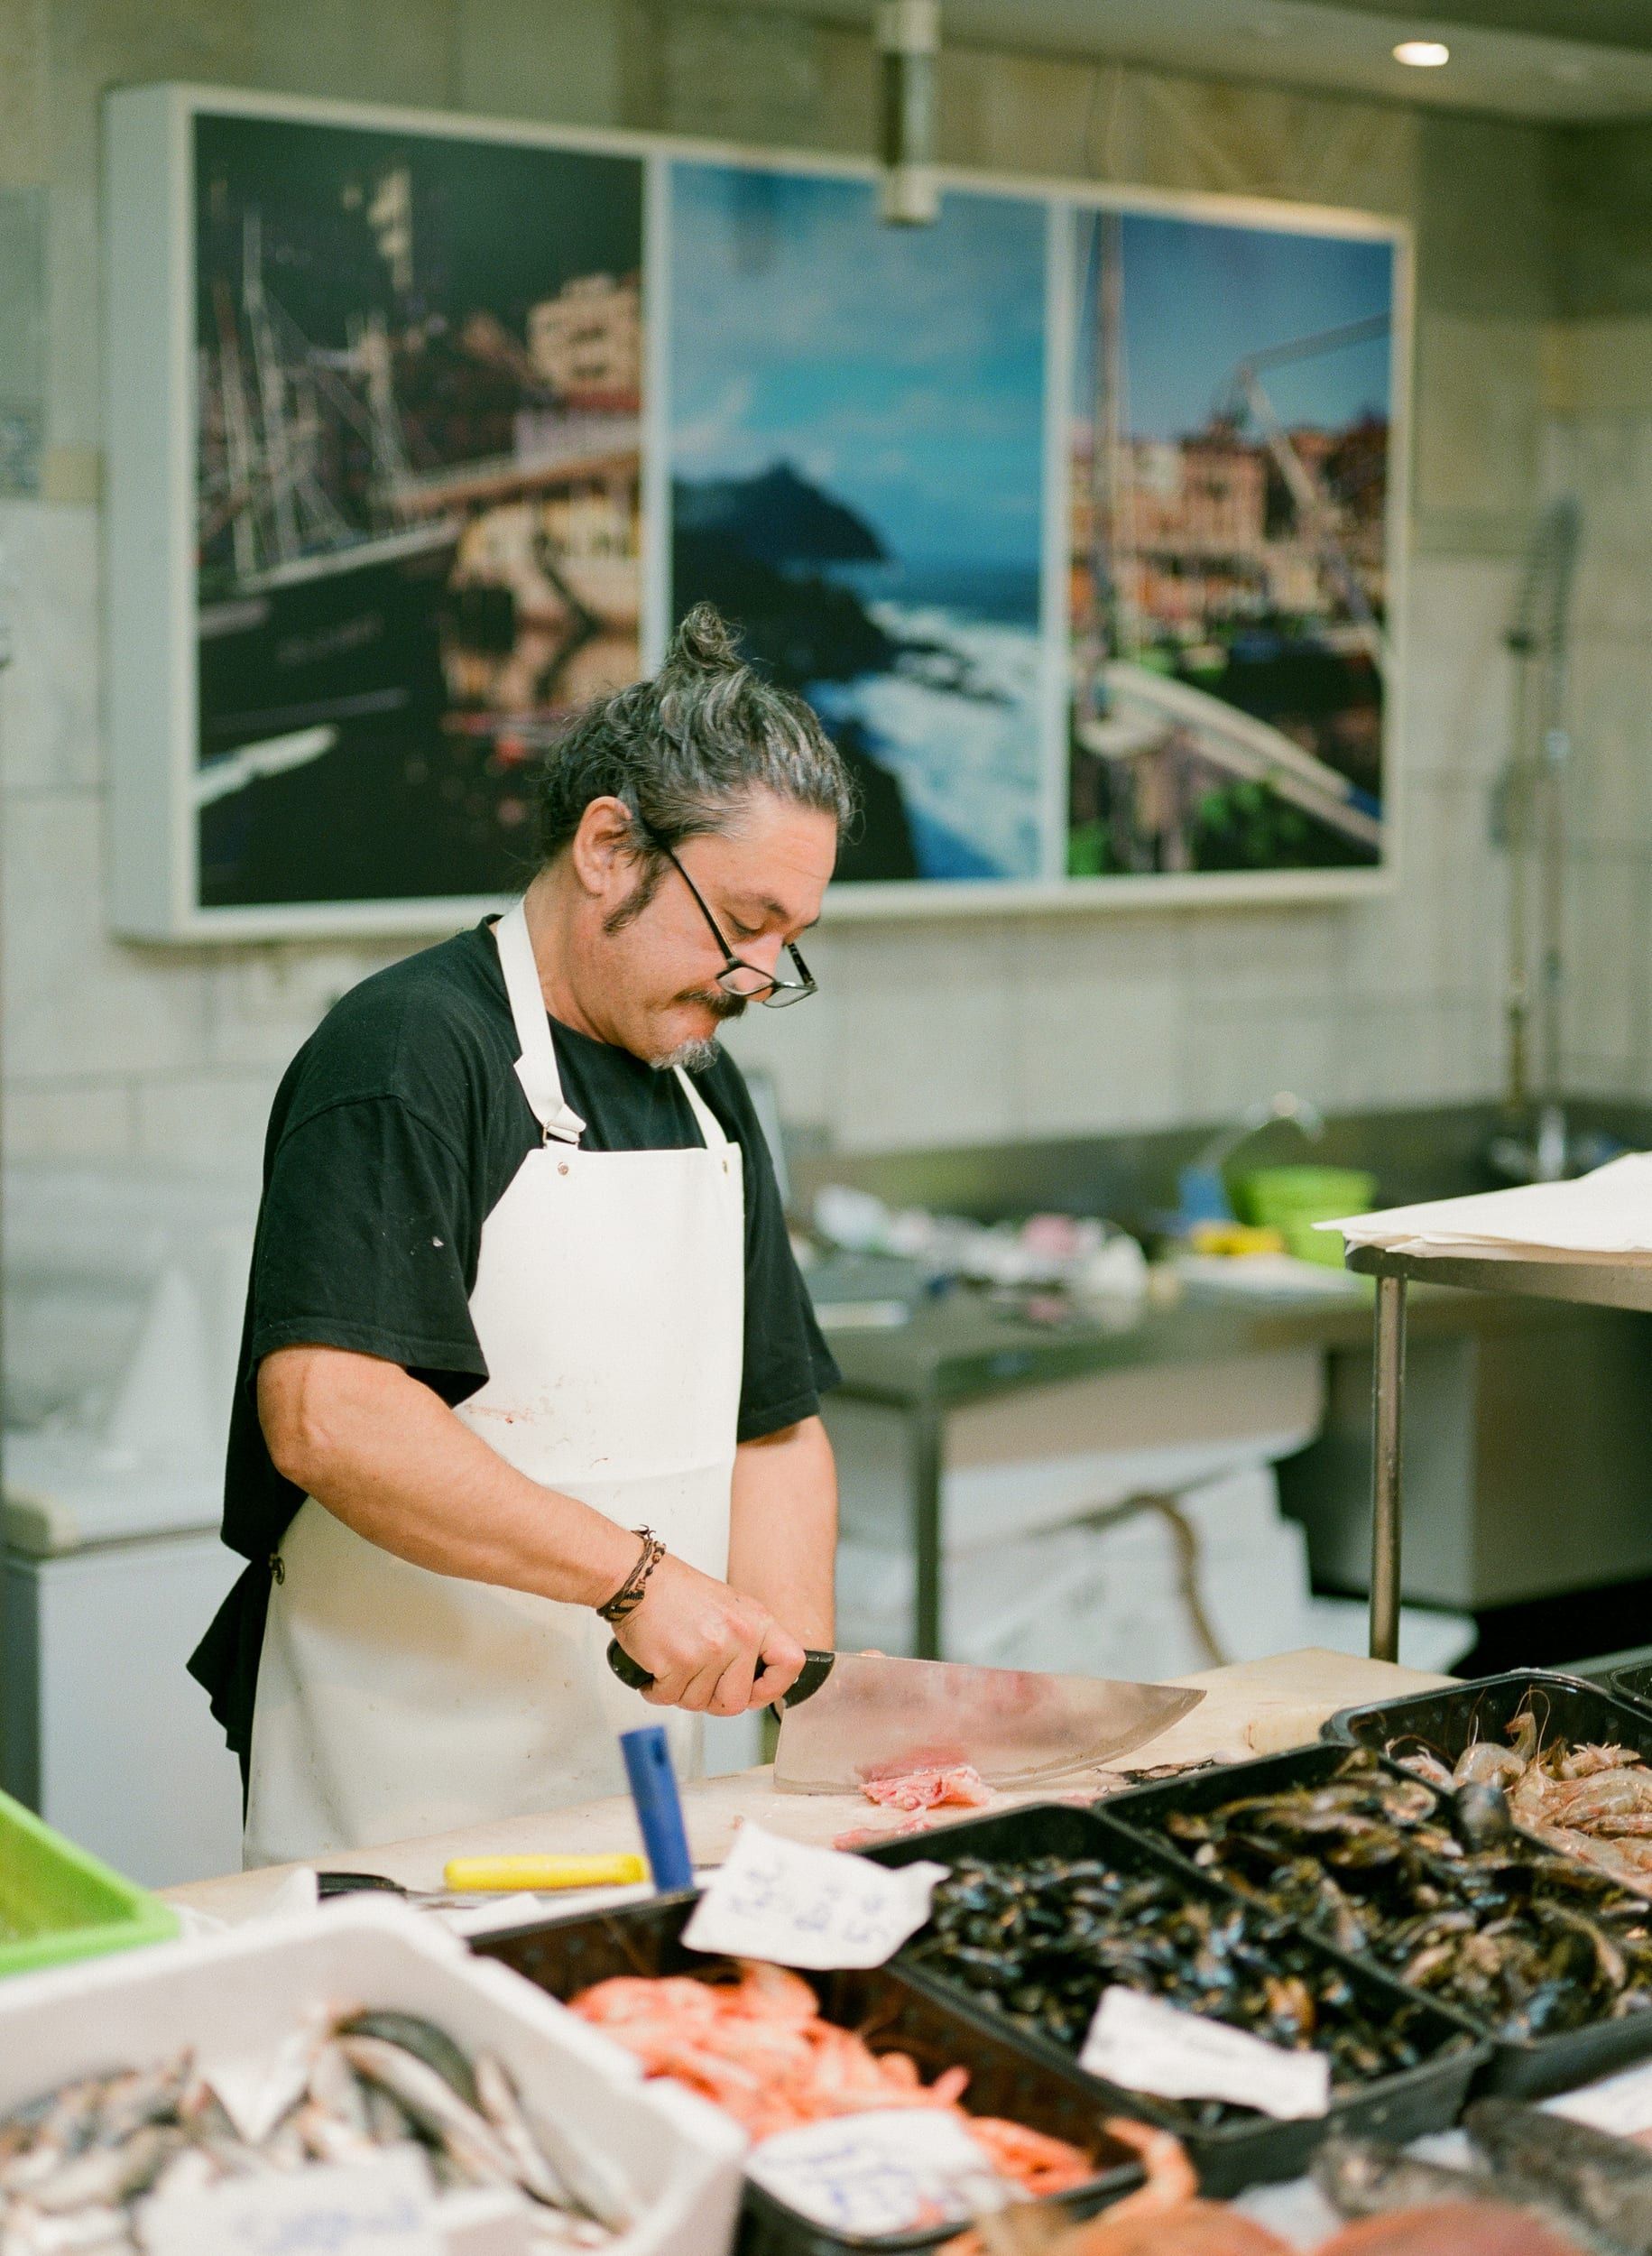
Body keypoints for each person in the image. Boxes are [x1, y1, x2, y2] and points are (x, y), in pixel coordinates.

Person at [189, 606, 853, 1867]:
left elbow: (773, 1427)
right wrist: (642, 1583)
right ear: (609, 847)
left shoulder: (703, 1089)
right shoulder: (409, 1050)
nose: (761, 978)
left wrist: (797, 1695)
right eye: (743, 923)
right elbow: (331, 1413)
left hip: (642, 1775)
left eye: (791, 943)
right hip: (405, 1786)